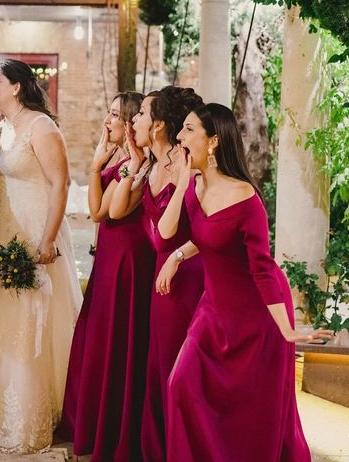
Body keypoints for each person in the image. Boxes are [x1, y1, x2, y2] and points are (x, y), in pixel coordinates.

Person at [160, 103, 332, 461]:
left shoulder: (246, 197)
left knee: (253, 413)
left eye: (188, 130)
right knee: (180, 385)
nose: (179, 137)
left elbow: (263, 269)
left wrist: (287, 330)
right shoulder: (193, 187)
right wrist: (176, 256)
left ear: (212, 141)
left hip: (258, 315)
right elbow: (172, 235)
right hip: (214, 312)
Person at [0, 59, 83, 453]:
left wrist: (47, 239)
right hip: (3, 234)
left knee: (33, 322)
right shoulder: (0, 127)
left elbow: (60, 184)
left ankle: (36, 411)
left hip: (35, 234)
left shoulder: (42, 127)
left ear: (17, 88)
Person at [109, 86, 205, 461]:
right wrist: (133, 160)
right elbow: (115, 211)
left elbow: (210, 224)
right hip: (160, 282)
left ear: (160, 124)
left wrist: (178, 256)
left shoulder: (189, 165)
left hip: (188, 276)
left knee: (179, 369)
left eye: (142, 114)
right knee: (159, 366)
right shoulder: (151, 164)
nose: (134, 120)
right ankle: (157, 449)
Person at [59, 92, 155, 461]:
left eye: (115, 115)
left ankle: (113, 426)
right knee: (97, 336)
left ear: (131, 123)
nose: (107, 121)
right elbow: (97, 208)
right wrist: (99, 166)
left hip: (127, 260)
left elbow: (103, 211)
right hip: (111, 256)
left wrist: (99, 167)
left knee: (116, 338)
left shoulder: (139, 163)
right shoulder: (125, 161)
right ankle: (97, 420)